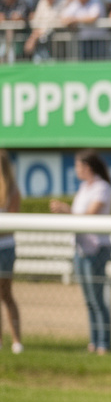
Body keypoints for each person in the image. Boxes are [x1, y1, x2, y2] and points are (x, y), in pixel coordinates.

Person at [50, 150, 111, 355]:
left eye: (78, 165)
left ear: (87, 167)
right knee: (89, 299)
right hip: (81, 248)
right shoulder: (84, 187)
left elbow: (89, 215)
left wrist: (64, 209)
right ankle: (94, 341)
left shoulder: (101, 188)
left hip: (96, 249)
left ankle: (104, 342)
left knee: (97, 298)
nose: (76, 169)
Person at [0, 152, 22, 354]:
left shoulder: (12, 190)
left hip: (5, 248)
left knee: (6, 295)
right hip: (6, 247)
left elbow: (12, 224)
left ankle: (16, 340)